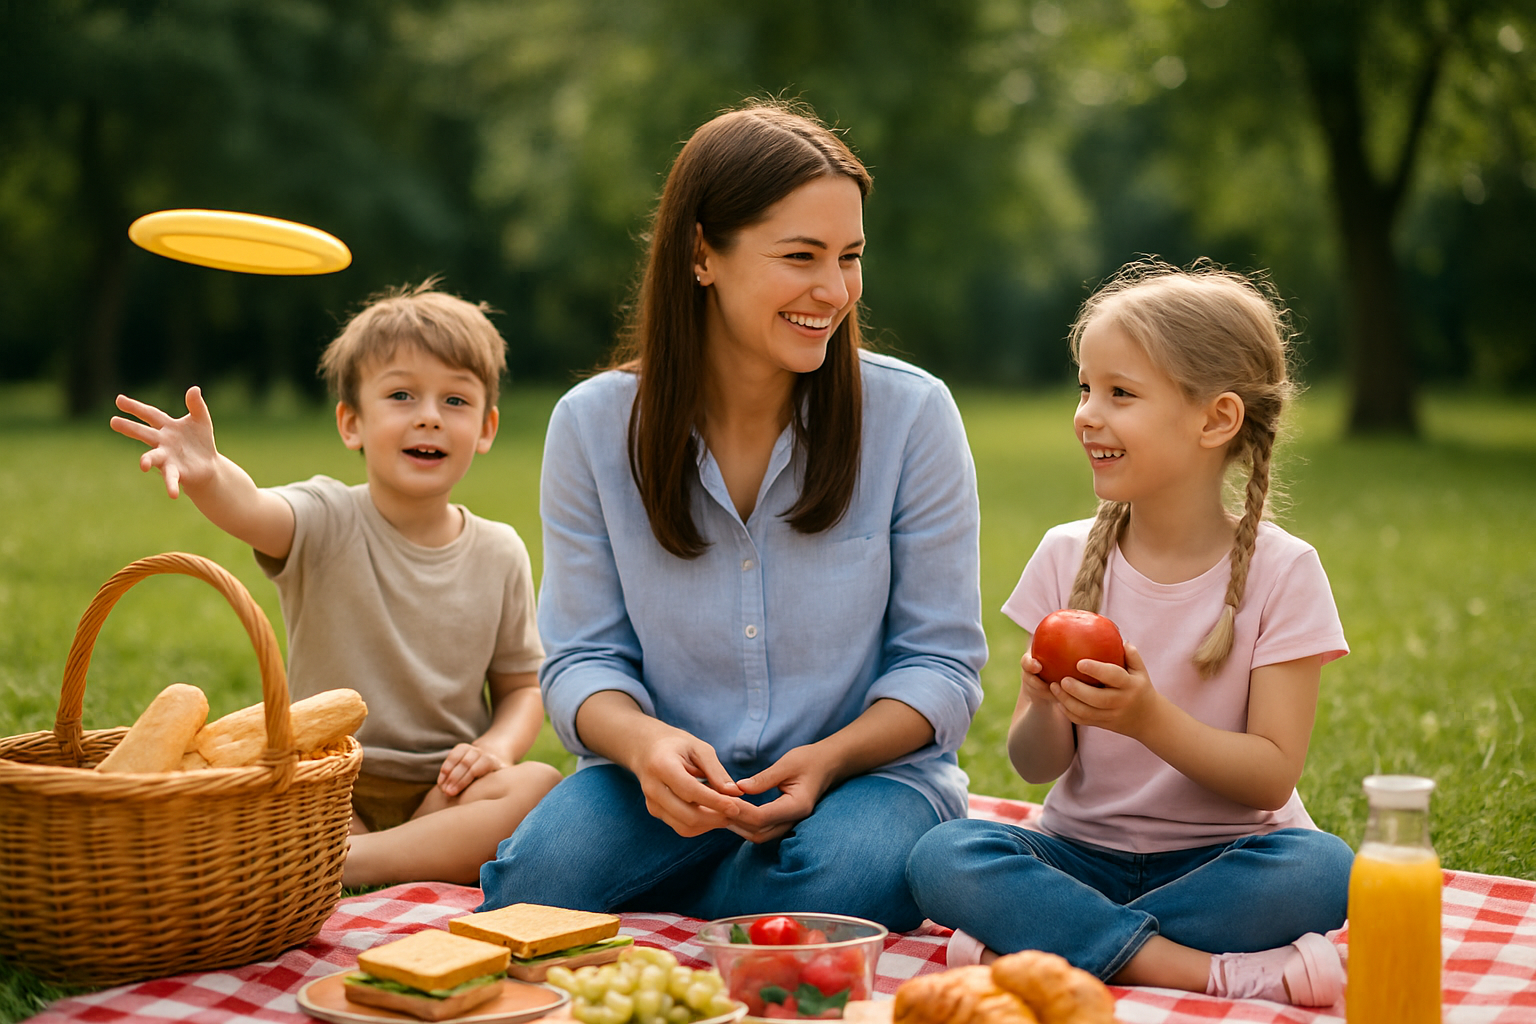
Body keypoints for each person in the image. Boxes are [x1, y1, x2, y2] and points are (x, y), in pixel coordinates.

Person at [477, 100, 986, 931]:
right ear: (701, 253)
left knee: (847, 878)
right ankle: (744, 909)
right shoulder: (593, 425)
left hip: (865, 782)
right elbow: (581, 661)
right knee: (532, 882)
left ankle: (696, 907)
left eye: (850, 257)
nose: (834, 291)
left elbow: (941, 664)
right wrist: (644, 747)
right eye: (801, 256)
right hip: (654, 785)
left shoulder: (913, 416)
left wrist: (829, 760)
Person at [906, 259, 1354, 1005]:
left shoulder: (1284, 572)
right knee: (942, 856)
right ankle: (1193, 970)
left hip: (1230, 856)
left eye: (1120, 393)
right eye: (1086, 388)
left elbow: (1271, 775)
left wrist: (1149, 721)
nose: (1088, 412)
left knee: (1327, 870)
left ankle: (1047, 940)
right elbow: (1031, 767)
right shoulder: (1064, 554)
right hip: (1080, 853)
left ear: (1216, 419)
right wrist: (1045, 705)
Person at [110, 281, 563, 887]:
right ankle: (397, 856)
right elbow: (254, 509)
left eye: (455, 401)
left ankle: (353, 862)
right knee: (259, 795)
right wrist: (210, 474)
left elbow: (521, 688)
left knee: (538, 785)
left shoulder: (500, 550)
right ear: (352, 422)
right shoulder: (326, 517)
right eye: (401, 395)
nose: (429, 414)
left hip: (443, 788)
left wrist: (498, 748)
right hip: (325, 781)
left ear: (486, 428)